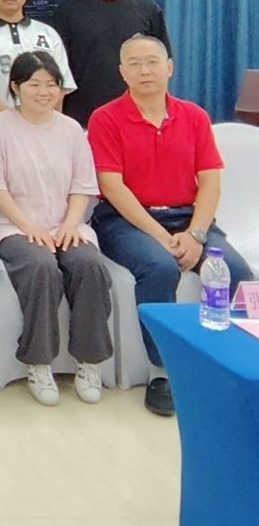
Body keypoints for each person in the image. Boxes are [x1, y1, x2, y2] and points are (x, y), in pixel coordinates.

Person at [88, 34, 251, 416]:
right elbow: (112, 187)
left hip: (187, 218)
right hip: (126, 221)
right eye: (134, 64)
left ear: (169, 68)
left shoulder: (193, 116)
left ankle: (237, 363)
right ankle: (161, 372)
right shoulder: (105, 118)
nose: (144, 70)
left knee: (237, 271)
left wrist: (195, 234)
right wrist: (162, 236)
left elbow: (210, 183)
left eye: (152, 62)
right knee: (159, 267)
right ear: (122, 72)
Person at [0, 51, 112, 406]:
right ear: (15, 87)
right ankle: (38, 362)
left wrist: (70, 224)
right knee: (40, 266)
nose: (43, 91)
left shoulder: (71, 130)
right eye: (34, 84)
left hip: (66, 224)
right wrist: (29, 226)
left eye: (51, 84)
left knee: (90, 265)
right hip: (11, 225)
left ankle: (89, 361)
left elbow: (83, 186)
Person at [54, 0, 172, 127]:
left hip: (138, 115)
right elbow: (56, 69)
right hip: (80, 117)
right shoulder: (67, 11)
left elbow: (161, 64)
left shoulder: (148, 10)